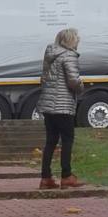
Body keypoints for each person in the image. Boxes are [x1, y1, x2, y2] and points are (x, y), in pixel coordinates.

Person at [36, 28, 85, 190]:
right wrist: (81, 86)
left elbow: (44, 78)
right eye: (77, 38)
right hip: (63, 106)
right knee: (67, 140)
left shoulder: (50, 55)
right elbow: (72, 81)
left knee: (50, 141)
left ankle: (46, 177)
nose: (78, 41)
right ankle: (66, 176)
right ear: (70, 40)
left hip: (48, 105)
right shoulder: (69, 55)